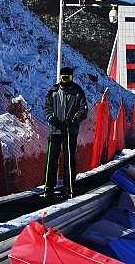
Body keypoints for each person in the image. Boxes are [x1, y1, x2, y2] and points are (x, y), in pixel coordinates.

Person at [43, 67, 88, 198]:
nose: (65, 80)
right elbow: (47, 108)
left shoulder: (77, 91)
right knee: (52, 160)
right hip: (55, 131)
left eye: (67, 78)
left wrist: (73, 120)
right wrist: (52, 119)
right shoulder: (53, 91)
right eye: (63, 77)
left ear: (72, 78)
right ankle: (48, 188)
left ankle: (69, 188)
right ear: (60, 77)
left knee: (68, 160)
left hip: (70, 131)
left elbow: (83, 109)